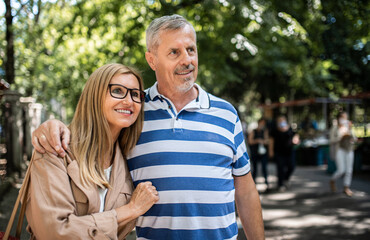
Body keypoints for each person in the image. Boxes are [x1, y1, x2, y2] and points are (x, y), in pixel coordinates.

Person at [31, 15, 265, 239]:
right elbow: (94, 130)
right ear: (151, 60)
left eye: (191, 50)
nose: (187, 60)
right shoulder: (132, 111)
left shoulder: (226, 113)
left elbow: (245, 191)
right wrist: (53, 126)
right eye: (174, 52)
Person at [25, 63, 159, 239]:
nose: (128, 101)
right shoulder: (55, 148)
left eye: (135, 94)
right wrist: (130, 210)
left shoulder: (129, 160)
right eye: (117, 91)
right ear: (95, 95)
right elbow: (54, 232)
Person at [329, 111, 357, 197]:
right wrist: (340, 137)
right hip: (339, 150)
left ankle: (346, 187)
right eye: (342, 117)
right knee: (341, 170)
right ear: (338, 119)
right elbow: (331, 140)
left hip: (349, 149)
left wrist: (350, 129)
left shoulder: (348, 127)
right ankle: (332, 180)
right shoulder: (335, 128)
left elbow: (354, 138)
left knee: (349, 170)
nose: (343, 119)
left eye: (345, 117)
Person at [269, 115, 299, 191]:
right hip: (279, 152)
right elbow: (271, 141)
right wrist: (271, 151)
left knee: (292, 166)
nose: (281, 122)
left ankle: (285, 179)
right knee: (280, 169)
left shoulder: (289, 129)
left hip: (289, 151)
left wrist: (296, 140)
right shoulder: (274, 130)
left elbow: (295, 135)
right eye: (280, 120)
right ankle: (280, 184)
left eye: (283, 120)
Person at [248, 118, 269, 187]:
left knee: (264, 168)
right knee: (255, 168)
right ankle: (253, 183)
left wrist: (263, 141)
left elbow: (267, 141)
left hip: (263, 153)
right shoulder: (253, 131)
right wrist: (257, 140)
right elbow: (250, 141)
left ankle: (266, 182)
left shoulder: (265, 131)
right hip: (255, 153)